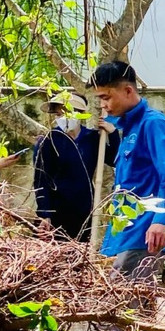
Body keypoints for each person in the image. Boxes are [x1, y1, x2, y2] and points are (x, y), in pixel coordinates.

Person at [90, 61, 165, 284]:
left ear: (128, 90)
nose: (103, 105)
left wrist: (162, 220)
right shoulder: (128, 128)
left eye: (106, 97)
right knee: (131, 306)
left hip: (145, 233)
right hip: (127, 233)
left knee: (121, 306)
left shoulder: (153, 124)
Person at [33, 91, 110, 241]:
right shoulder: (48, 141)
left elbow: (113, 158)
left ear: (79, 114)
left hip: (85, 208)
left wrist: (111, 133)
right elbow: (40, 180)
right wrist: (44, 214)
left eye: (66, 113)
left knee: (81, 255)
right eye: (58, 114)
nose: (61, 118)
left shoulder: (92, 138)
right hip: (57, 209)